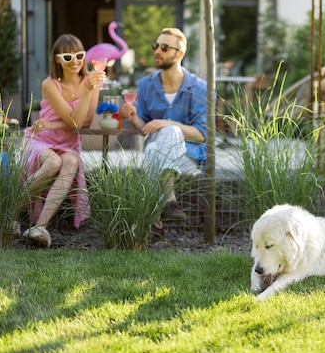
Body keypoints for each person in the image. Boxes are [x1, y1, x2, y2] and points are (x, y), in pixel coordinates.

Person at [120, 27, 207, 236]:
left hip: (188, 156)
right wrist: (132, 116)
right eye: (156, 46)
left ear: (180, 54)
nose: (157, 51)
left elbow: (201, 134)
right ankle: (170, 202)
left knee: (168, 134)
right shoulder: (146, 85)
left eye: (164, 47)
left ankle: (153, 217)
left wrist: (166, 124)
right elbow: (144, 128)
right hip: (157, 148)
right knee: (154, 148)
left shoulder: (199, 87)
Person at [21, 34, 105, 247]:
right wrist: (87, 92)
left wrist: (54, 123)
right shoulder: (50, 84)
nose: (75, 61)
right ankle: (9, 211)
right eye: (67, 57)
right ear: (57, 59)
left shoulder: (90, 82)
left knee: (70, 161)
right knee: (53, 163)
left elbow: (82, 124)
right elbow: (74, 120)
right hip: (42, 139)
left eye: (79, 55)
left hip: (68, 143)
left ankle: (40, 227)